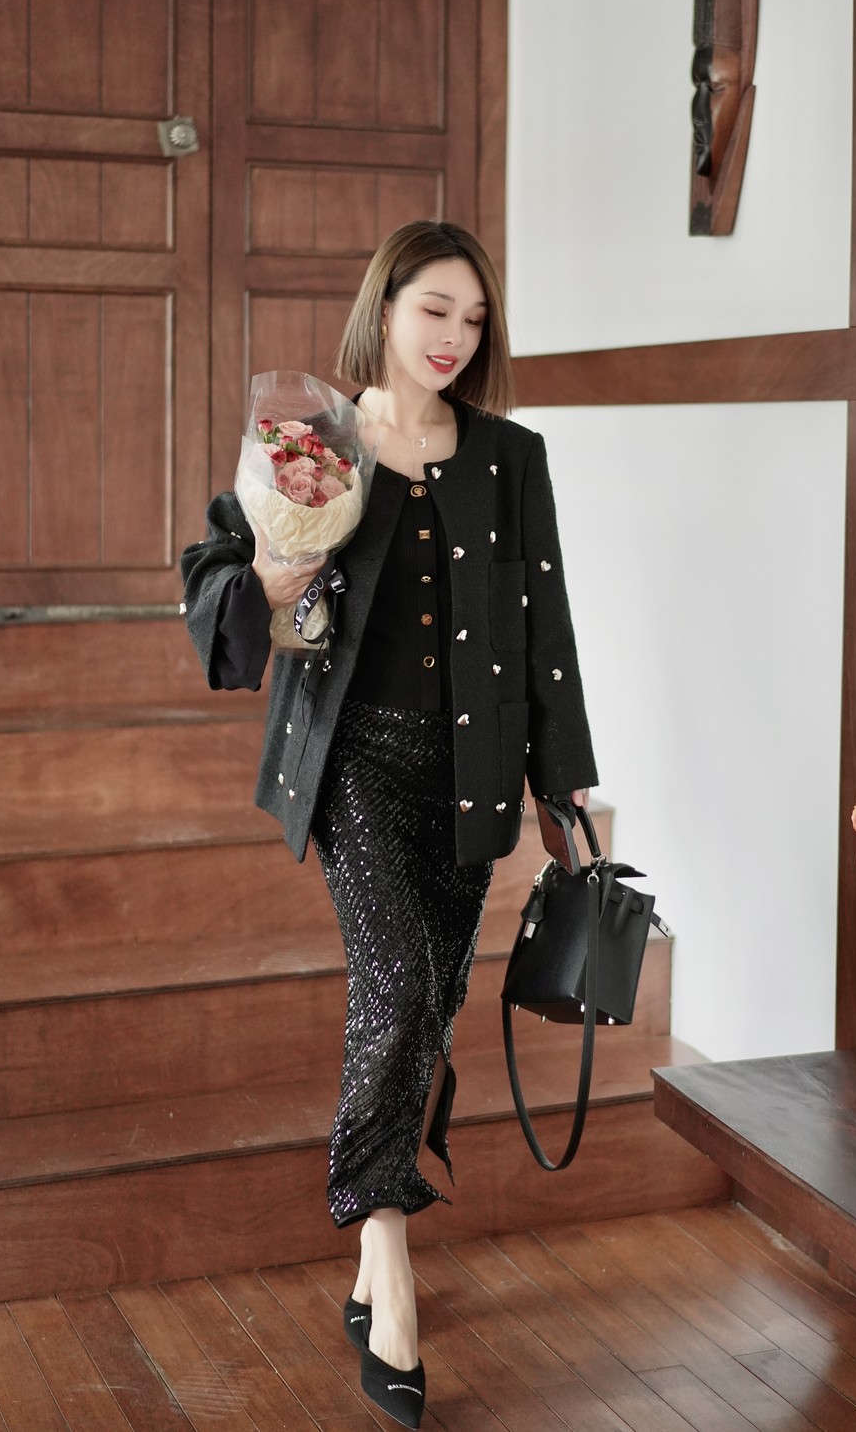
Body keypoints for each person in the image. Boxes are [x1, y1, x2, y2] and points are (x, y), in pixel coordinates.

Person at [180, 220, 596, 1428]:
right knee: (403, 987)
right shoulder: (315, 437)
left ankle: (370, 1265)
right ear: (386, 307)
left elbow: (546, 628)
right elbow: (218, 579)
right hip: (353, 758)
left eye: (474, 318)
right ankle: (390, 1258)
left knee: (425, 1006)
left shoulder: (511, 457)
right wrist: (271, 573)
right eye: (434, 310)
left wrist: (563, 783)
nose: (455, 336)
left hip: (474, 773)